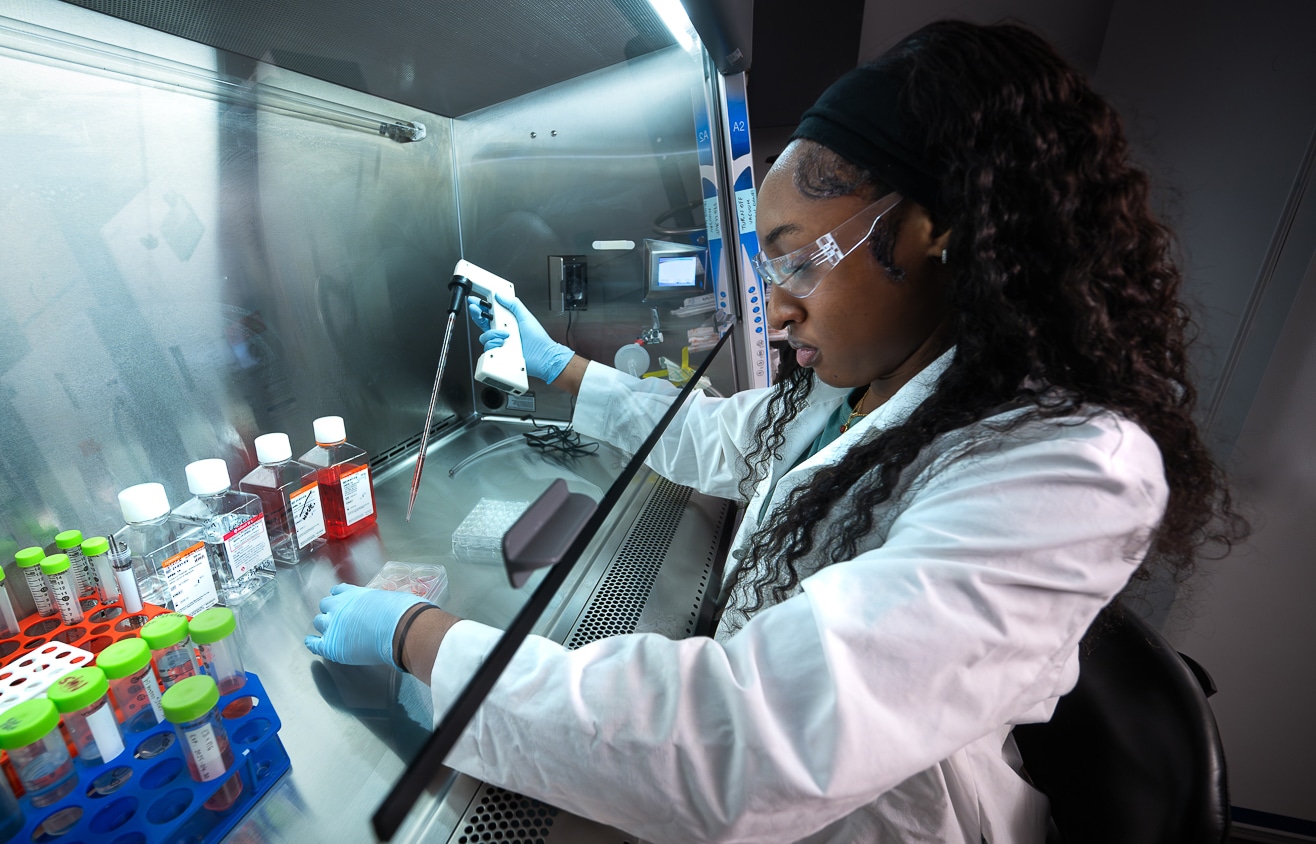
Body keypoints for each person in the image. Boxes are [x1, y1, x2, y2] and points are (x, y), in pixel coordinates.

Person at [304, 20, 1245, 843]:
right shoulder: (868, 388)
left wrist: (421, 635)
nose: (781, 309)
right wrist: (560, 368)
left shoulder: (1069, 467)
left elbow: (746, 745)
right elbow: (717, 437)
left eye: (799, 261)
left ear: (932, 227)